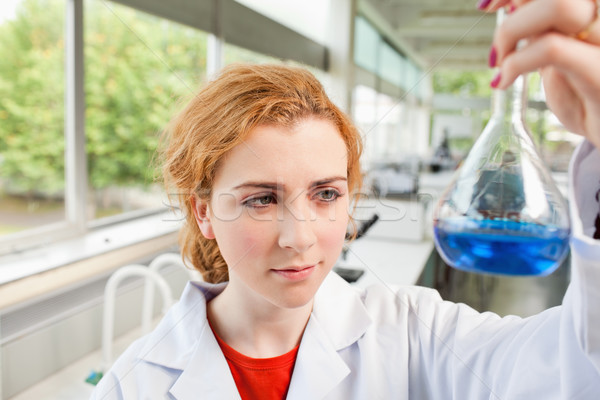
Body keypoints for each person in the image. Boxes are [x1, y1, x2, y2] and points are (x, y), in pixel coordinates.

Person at [92, 0, 600, 398]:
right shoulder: (133, 385)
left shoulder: (412, 333)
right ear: (203, 210)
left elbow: (573, 370)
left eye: (326, 193)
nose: (301, 237)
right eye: (261, 200)